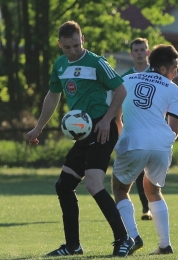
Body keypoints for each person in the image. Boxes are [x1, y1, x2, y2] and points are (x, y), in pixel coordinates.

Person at [27, 20, 134, 257]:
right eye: (67, 47)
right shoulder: (59, 65)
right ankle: (73, 246)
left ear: (82, 39)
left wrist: (107, 120)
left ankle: (124, 239)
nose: (73, 51)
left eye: (76, 45)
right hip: (84, 133)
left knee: (94, 184)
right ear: (60, 45)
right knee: (63, 186)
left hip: (102, 127)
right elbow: (53, 96)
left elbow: (121, 90)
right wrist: (38, 128)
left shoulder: (96, 62)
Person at [112, 44, 178, 255]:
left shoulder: (126, 79)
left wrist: (122, 136)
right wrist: (165, 142)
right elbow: (174, 128)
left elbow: (116, 116)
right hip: (161, 144)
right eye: (174, 68)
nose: (176, 72)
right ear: (163, 69)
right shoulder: (172, 88)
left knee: (120, 189)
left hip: (134, 141)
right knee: (154, 191)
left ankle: (133, 237)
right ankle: (164, 244)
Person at [121, 37, 153, 221]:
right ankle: (146, 208)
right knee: (141, 171)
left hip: (154, 130)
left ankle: (154, 203)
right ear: (131, 54)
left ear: (148, 52)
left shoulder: (157, 74)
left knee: (152, 171)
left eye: (143, 49)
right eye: (136, 50)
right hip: (135, 131)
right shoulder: (125, 77)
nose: (140, 53)